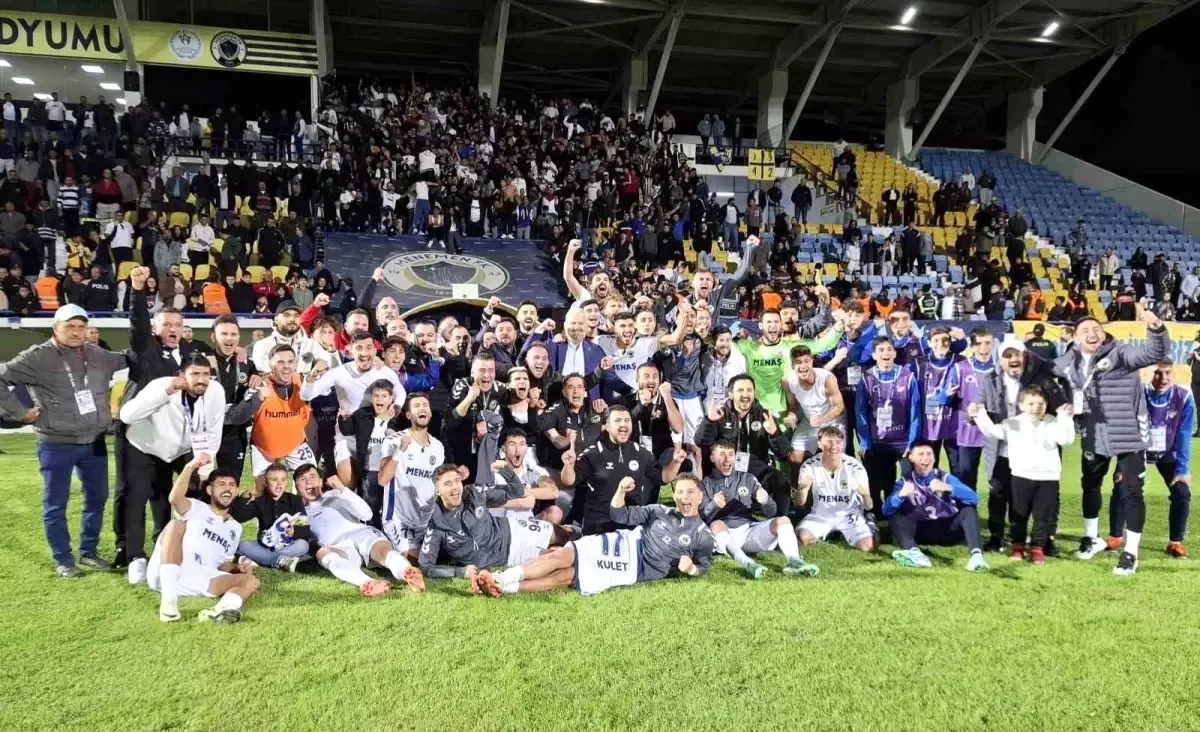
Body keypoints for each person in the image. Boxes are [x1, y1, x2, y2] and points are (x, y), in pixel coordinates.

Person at [0, 304, 127, 576]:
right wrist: (21, 413)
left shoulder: (96, 353)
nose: (76, 332)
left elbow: (126, 359)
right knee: (56, 503)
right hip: (56, 442)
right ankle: (63, 559)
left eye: (81, 327)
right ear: (55, 328)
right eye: (70, 326)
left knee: (97, 498)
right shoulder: (37, 356)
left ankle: (88, 552)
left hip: (93, 440)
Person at [1058, 311, 1169, 575]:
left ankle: (1131, 553)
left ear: (1103, 332)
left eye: (1095, 328)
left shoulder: (1120, 353)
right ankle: (1091, 538)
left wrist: (1155, 327)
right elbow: (1047, 373)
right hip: (1094, 435)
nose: (1092, 333)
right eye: (1085, 330)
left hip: (1129, 436)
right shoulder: (1069, 361)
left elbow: (1154, 353)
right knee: (1090, 485)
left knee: (1132, 492)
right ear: (1075, 338)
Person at [476, 474, 714, 597]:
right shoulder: (658, 510)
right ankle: (501, 578)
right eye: (679, 492)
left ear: (700, 495)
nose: (684, 497)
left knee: (567, 578)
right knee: (562, 557)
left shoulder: (703, 536)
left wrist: (692, 569)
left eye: (689, 492)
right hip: (622, 546)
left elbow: (704, 566)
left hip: (632, 570)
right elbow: (619, 514)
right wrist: (620, 491)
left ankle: (504, 589)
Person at [118, 353, 226, 584]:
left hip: (179, 450)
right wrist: (165, 393)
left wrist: (205, 468)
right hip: (144, 447)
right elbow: (126, 415)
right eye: (194, 374)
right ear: (181, 375)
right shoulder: (161, 386)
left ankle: (165, 548)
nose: (201, 380)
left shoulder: (216, 392)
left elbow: (213, 432)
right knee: (136, 500)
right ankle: (135, 557)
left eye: (206, 374)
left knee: (173, 498)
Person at [144, 454, 260, 623]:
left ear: (236, 491)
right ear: (209, 490)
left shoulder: (236, 528)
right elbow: (174, 499)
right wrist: (190, 467)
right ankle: (169, 602)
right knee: (176, 525)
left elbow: (223, 563)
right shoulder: (196, 507)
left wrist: (237, 567)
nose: (227, 488)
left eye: (232, 485)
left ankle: (220, 611)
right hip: (172, 572)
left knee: (251, 581)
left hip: (203, 577)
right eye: (221, 484)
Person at [970, 387, 1075, 565]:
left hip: (1048, 478)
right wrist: (979, 413)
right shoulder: (1012, 423)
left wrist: (1066, 418)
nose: (1036, 407)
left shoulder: (1053, 422)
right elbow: (992, 432)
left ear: (1046, 405)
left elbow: (1066, 439)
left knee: (1042, 516)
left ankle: (1037, 548)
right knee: (1019, 514)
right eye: (1031, 403)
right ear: (1021, 405)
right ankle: (1018, 546)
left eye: (1040, 404)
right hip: (1021, 476)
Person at [418, 461, 570, 582]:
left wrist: (506, 471)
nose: (455, 488)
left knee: (565, 534)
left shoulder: (474, 493)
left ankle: (574, 531)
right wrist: (459, 572)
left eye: (457, 481)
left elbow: (517, 492)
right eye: (447, 484)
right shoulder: (436, 524)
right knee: (555, 559)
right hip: (508, 557)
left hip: (513, 531)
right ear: (437, 491)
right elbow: (425, 567)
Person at [1107, 361, 1193, 559]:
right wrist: (1122, 464)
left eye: (1167, 373)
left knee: (1182, 492)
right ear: (1148, 374)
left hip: (1168, 453)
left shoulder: (1184, 397)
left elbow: (1184, 434)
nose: (1163, 378)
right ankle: (1115, 536)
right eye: (1157, 373)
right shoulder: (1137, 395)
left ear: (1174, 374)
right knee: (1121, 485)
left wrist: (1182, 469)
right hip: (1138, 451)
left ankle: (1175, 542)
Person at [295, 465, 425, 596]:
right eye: (302, 479)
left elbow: (366, 514)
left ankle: (407, 572)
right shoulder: (299, 513)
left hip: (361, 533)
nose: (308, 481)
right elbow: (299, 538)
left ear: (320, 481)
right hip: (338, 546)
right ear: (296, 487)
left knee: (383, 552)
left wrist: (342, 488)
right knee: (323, 554)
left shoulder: (336, 494)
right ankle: (369, 583)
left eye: (312, 477)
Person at [700, 440, 817, 579]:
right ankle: (748, 564)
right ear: (712, 458)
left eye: (730, 454)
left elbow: (772, 512)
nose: (727, 459)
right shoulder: (705, 483)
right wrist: (714, 505)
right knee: (716, 524)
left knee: (783, 520)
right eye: (722, 454)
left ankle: (794, 561)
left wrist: (766, 501)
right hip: (724, 535)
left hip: (749, 531)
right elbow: (702, 518)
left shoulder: (747, 478)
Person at [562, 405, 686, 535]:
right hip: (598, 525)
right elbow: (569, 481)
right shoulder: (592, 453)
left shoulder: (641, 453)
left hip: (629, 525)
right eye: (618, 420)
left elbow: (663, 477)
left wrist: (675, 462)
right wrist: (568, 465)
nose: (623, 424)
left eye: (627, 420)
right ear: (607, 427)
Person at [883, 442, 990, 572]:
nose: (925, 458)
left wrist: (948, 488)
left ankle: (977, 557)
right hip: (920, 530)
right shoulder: (905, 482)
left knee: (968, 510)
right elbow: (886, 510)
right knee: (895, 516)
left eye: (929, 454)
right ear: (911, 458)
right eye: (920, 454)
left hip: (947, 529)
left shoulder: (945, 477)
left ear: (934, 458)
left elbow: (974, 498)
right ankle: (914, 552)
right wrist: (900, 495)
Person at [855, 337, 921, 511]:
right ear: (874, 355)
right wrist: (865, 441)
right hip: (877, 440)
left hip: (902, 441)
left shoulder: (907, 376)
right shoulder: (867, 377)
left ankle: (904, 513)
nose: (886, 353)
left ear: (895, 353)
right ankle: (876, 513)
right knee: (875, 480)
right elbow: (860, 411)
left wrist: (912, 442)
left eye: (889, 349)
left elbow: (914, 411)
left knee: (909, 478)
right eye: (881, 350)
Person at [378, 393, 445, 557]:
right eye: (417, 406)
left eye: (425, 405)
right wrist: (401, 450)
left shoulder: (438, 447)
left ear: (430, 413)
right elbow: (383, 480)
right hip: (400, 520)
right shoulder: (394, 441)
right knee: (416, 562)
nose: (422, 408)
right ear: (408, 415)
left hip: (426, 521)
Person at [795, 425, 877, 555]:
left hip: (849, 515)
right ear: (820, 444)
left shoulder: (855, 467)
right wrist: (802, 489)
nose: (834, 446)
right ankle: (833, 533)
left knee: (868, 546)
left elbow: (869, 505)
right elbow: (799, 503)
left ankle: (869, 523)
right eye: (829, 442)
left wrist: (863, 493)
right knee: (802, 538)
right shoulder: (809, 466)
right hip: (820, 515)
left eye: (838, 442)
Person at [232, 462, 311, 572]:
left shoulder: (295, 500)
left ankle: (263, 559)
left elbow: (305, 529)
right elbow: (239, 517)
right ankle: (280, 560)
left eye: (283, 480)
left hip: (288, 544)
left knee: (303, 545)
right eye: (274, 480)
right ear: (265, 482)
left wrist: (294, 532)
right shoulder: (260, 502)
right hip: (265, 544)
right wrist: (243, 499)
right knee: (243, 545)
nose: (279, 484)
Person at [783, 344, 844, 464]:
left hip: (832, 421)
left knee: (832, 459)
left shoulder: (827, 379)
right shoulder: (787, 381)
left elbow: (839, 407)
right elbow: (793, 407)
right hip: (809, 422)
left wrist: (823, 419)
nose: (803, 366)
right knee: (794, 458)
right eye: (798, 362)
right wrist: (791, 416)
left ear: (812, 361)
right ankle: (800, 477)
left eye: (806, 361)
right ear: (792, 365)